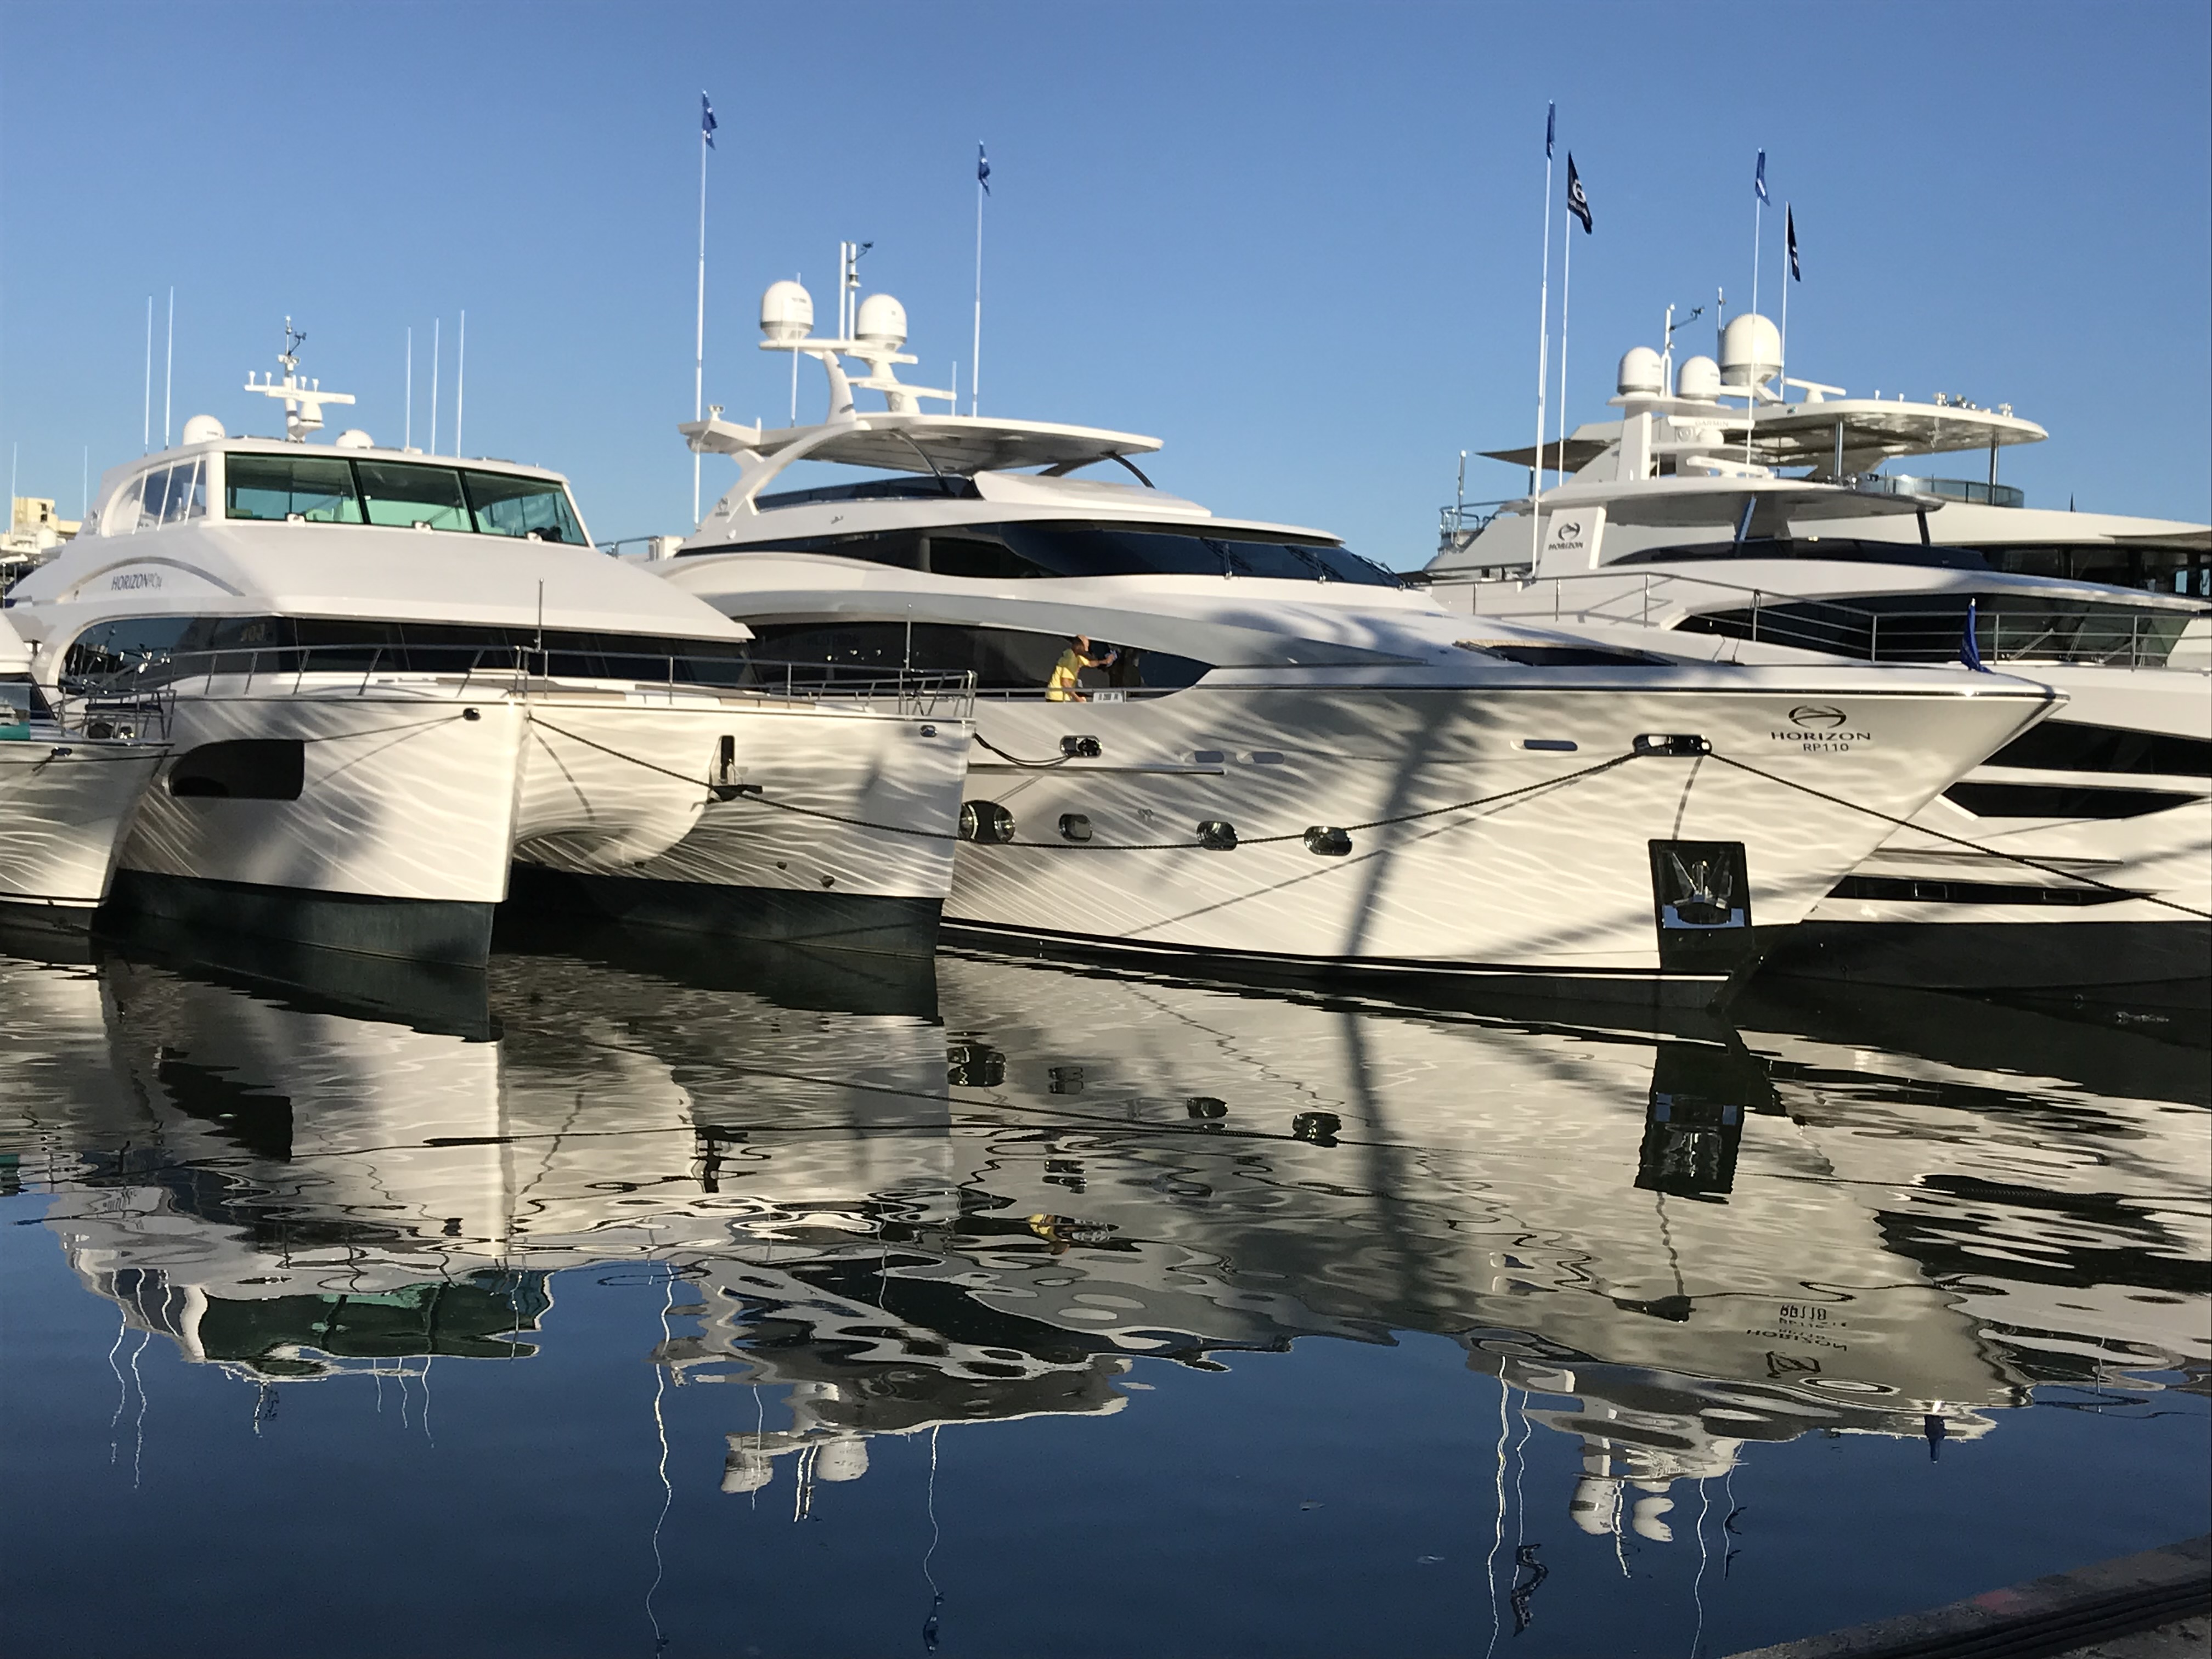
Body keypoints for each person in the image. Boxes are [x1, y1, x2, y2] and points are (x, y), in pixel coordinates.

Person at [1045, 635, 1116, 702]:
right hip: (1058, 697)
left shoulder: (1077, 657)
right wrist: (1077, 698)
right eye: (1086, 647)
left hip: (1059, 696)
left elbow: (1090, 664)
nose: (1087, 651)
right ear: (1080, 646)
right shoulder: (1071, 659)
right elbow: (1065, 682)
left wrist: (1104, 662)